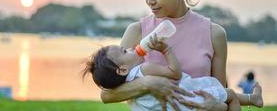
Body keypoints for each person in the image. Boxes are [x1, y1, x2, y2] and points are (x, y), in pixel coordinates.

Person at [98, 0, 259, 110]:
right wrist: (149, 84)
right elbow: (107, 95)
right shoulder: (137, 31)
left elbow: (220, 93)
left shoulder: (214, 34)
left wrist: (215, 106)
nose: (149, 1)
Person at [83, 35, 263, 111]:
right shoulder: (144, 69)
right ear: (122, 69)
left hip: (179, 106)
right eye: (124, 51)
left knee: (227, 98)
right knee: (230, 95)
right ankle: (253, 99)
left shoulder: (127, 87)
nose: (130, 48)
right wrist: (166, 49)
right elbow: (175, 73)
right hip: (190, 100)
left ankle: (253, 99)